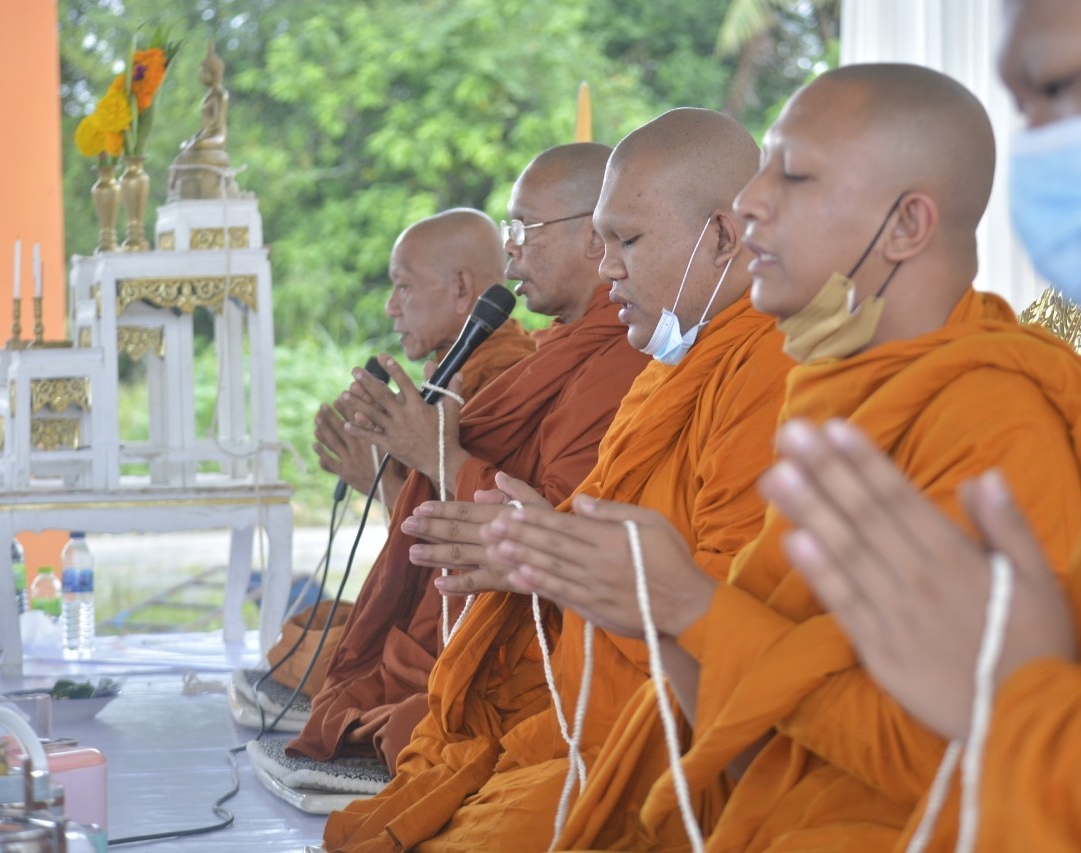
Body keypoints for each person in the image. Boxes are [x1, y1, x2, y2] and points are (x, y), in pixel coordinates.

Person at [482, 63, 1081, 851]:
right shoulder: (833, 394)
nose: (752, 203)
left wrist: (687, 603)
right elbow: (753, 739)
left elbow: (956, 761)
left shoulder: (993, 421)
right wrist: (649, 606)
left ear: (905, 226)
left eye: (794, 176)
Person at [764, 2, 1081, 850]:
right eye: (1023, 108)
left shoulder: (1000, 409)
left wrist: (1016, 695)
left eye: (1062, 86)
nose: (1038, 152)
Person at [321, 108, 794, 853]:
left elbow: (726, 626)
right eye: (604, 242)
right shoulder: (669, 371)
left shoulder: (775, 372)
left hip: (678, 737)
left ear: (725, 235)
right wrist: (529, 544)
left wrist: (542, 550)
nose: (610, 270)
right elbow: (595, 530)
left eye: (627, 241)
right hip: (591, 706)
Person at [283, 144, 650, 772]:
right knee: (309, 641)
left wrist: (431, 455)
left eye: (524, 230)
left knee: (376, 700)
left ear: (594, 236)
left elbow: (560, 527)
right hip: (475, 607)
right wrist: (394, 468)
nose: (510, 254)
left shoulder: (621, 356)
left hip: (534, 636)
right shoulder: (557, 352)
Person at [312, 209, 533, 512]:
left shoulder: (506, 379)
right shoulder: (455, 373)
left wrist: (382, 484)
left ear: (461, 289)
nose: (390, 307)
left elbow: (487, 527)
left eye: (403, 286)